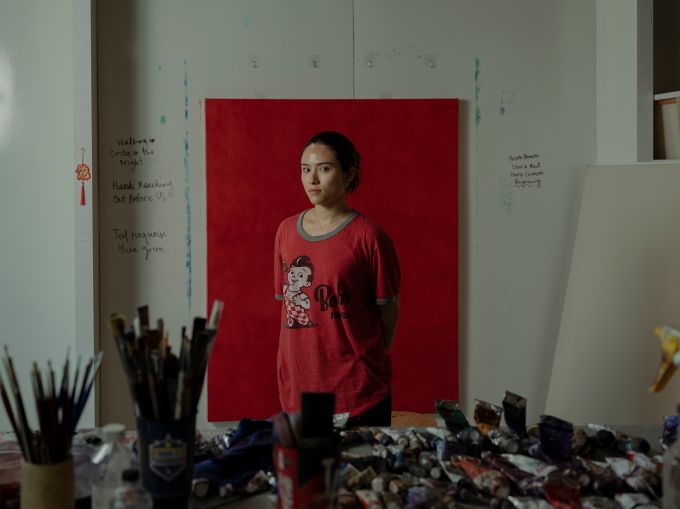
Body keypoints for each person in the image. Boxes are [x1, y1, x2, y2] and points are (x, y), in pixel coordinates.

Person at [274, 131, 400, 426]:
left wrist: (365, 361)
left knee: (361, 472)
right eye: (306, 169)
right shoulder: (285, 232)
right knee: (309, 472)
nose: (312, 179)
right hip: (298, 390)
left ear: (348, 174)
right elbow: (289, 311)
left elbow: (388, 311)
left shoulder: (370, 237)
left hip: (358, 391)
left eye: (324, 168)